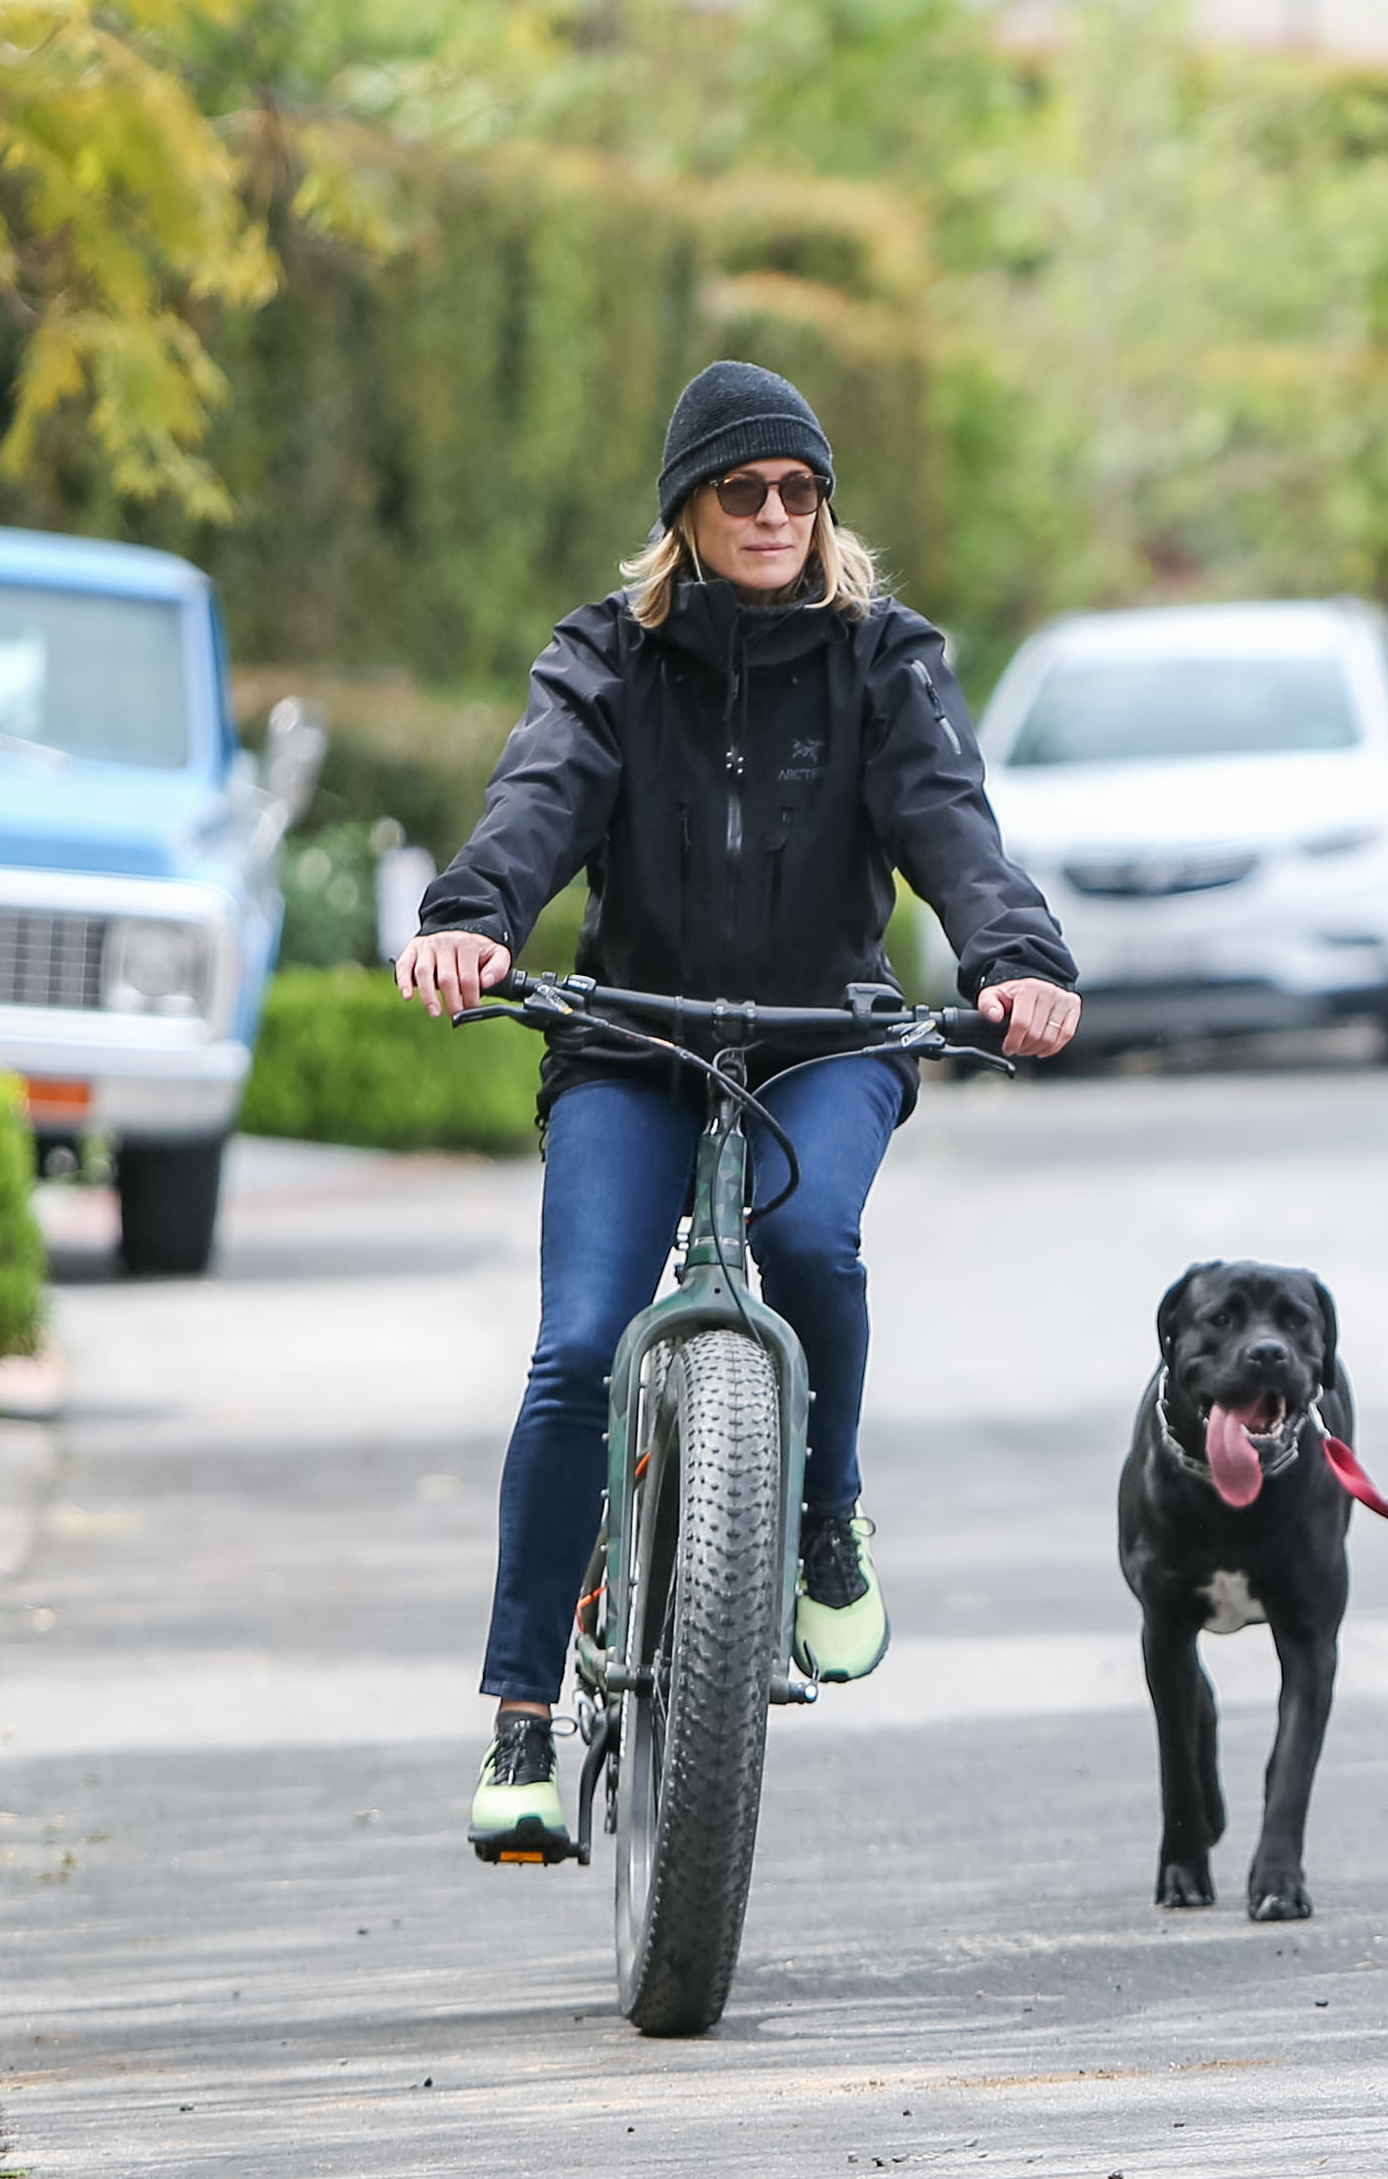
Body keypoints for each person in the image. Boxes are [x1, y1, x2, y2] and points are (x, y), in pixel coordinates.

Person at [399, 361, 1083, 1859]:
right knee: (579, 1344)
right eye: (742, 490)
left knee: (811, 1238)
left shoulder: (886, 656)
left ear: (822, 509)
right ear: (685, 513)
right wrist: (474, 914)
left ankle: (825, 1509)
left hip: (821, 1039)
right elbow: (540, 794)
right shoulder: (606, 656)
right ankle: (521, 1713)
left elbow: (948, 822)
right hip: (633, 1041)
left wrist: (1015, 959)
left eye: (798, 491)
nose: (775, 513)